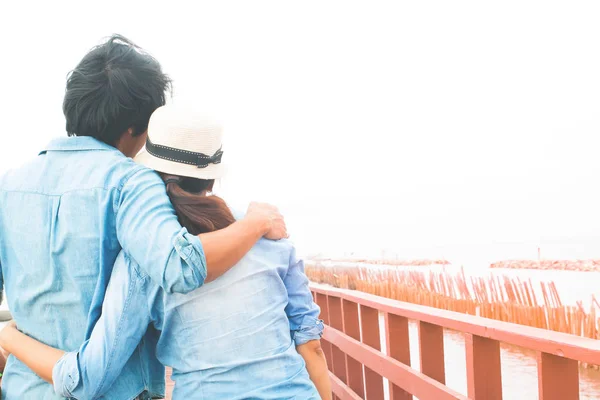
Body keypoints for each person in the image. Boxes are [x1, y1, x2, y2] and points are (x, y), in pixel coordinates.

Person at [0, 35, 286, 399]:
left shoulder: (8, 186)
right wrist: (255, 223)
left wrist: (10, 344)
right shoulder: (130, 181)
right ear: (138, 127)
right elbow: (179, 265)